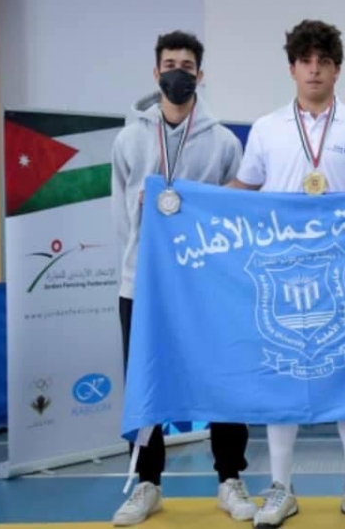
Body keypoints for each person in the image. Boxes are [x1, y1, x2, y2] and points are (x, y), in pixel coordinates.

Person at [228, 19, 345, 529]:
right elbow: (241, 193)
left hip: (343, 274)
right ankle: (281, 489)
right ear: (292, 68)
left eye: (324, 61)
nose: (314, 69)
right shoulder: (266, 128)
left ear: (337, 69)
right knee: (282, 379)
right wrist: (181, 203)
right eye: (305, 61)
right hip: (280, 274)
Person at [110, 30, 257, 526]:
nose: (178, 73)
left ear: (200, 74)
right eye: (170, 65)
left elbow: (234, 213)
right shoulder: (129, 139)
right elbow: (121, 218)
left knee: (223, 376)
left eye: (187, 66)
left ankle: (230, 478)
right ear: (156, 73)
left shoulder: (223, 142)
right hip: (143, 283)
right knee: (144, 380)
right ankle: (147, 483)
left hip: (206, 286)